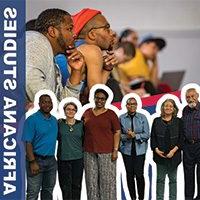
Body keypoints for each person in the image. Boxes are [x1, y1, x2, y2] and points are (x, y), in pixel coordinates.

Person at [26, 8, 85, 103]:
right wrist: (54, 112)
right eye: (69, 29)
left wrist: (76, 72)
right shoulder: (35, 40)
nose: (74, 34)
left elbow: (65, 106)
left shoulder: (50, 57)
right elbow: (28, 77)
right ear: (52, 31)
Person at [82, 88, 121, 200]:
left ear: (106, 101)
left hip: (107, 152)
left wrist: (115, 150)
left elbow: (117, 132)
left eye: (102, 99)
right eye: (98, 98)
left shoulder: (111, 114)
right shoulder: (87, 113)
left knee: (107, 182)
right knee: (91, 183)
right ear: (94, 98)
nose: (100, 100)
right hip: (89, 152)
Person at [72, 8, 118, 103]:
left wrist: (107, 69)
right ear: (92, 34)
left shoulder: (78, 47)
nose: (112, 32)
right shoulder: (92, 50)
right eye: (106, 28)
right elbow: (96, 96)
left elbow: (89, 91)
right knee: (112, 84)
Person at [22, 94, 57, 200]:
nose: (47, 104)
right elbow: (27, 143)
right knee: (33, 192)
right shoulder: (32, 120)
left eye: (49, 102)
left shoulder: (54, 120)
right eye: (44, 102)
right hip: (36, 160)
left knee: (48, 191)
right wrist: (32, 162)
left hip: (51, 161)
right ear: (39, 104)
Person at [151, 99, 183, 200]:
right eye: (166, 106)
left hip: (174, 156)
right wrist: (156, 149)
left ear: (174, 109)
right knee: (160, 180)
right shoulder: (156, 121)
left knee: (173, 179)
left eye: (170, 106)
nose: (168, 108)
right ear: (162, 108)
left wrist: (173, 151)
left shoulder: (178, 121)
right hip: (160, 155)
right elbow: (153, 137)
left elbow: (181, 139)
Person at [119, 97, 150, 200]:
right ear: (126, 106)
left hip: (140, 151)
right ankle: (132, 198)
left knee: (139, 174)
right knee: (129, 175)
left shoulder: (142, 117)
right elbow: (118, 135)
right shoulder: (122, 118)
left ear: (137, 105)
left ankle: (141, 197)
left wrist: (135, 136)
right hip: (126, 151)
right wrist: (127, 137)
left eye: (134, 104)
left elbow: (146, 135)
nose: (132, 106)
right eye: (129, 104)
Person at [57, 102, 84, 200]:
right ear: (64, 111)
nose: (70, 111)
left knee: (76, 185)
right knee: (65, 186)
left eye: (73, 109)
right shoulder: (59, 123)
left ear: (76, 111)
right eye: (68, 109)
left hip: (78, 159)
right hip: (63, 159)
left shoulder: (81, 124)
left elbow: (85, 140)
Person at [182, 88, 200, 200]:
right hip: (188, 146)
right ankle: (188, 198)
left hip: (199, 145)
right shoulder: (185, 110)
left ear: (197, 96)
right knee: (188, 175)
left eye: (193, 96)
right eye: (188, 97)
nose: (190, 99)